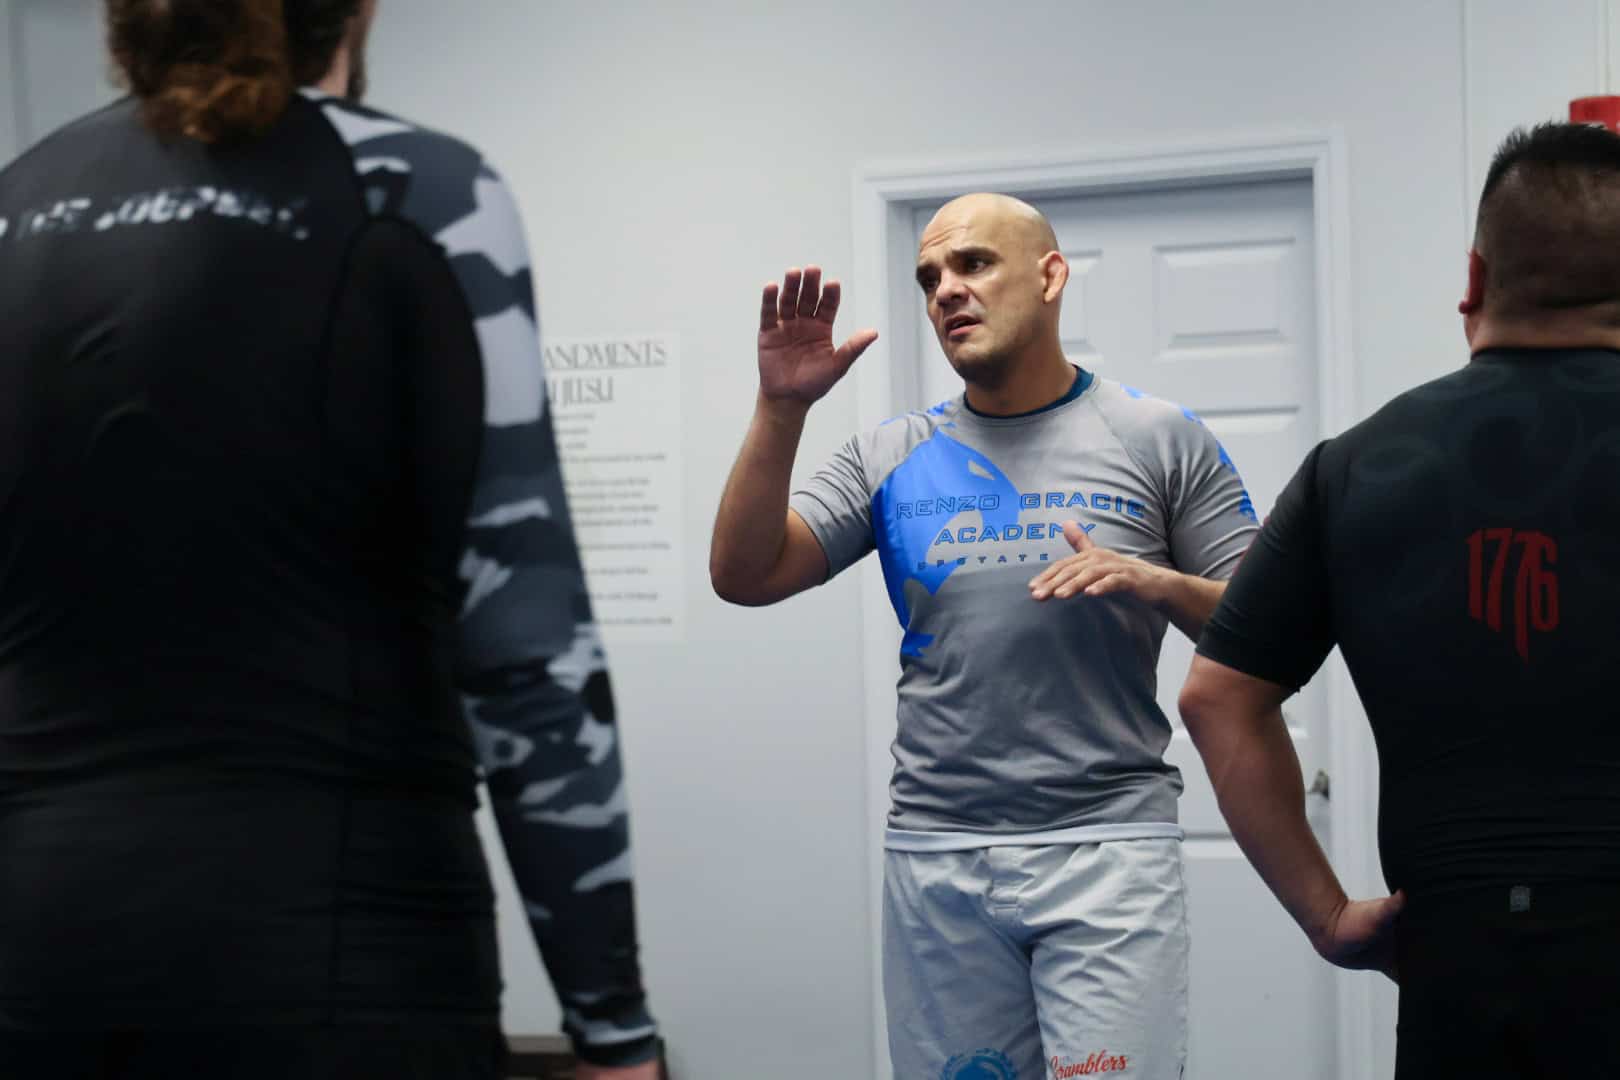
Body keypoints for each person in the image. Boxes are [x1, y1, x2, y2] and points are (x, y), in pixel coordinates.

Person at [0, 2, 658, 1077]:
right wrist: (613, 1022)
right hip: (346, 951)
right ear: (353, 10)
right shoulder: (420, 189)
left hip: (42, 958)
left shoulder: (13, 202)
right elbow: (527, 644)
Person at [710, 192, 1259, 1078]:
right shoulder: (892, 453)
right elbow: (745, 575)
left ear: (1049, 277)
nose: (946, 292)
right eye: (930, 277)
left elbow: (1271, 624)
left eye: (972, 265)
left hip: (1106, 852)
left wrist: (1151, 580)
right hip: (936, 856)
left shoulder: (1158, 437)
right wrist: (781, 410)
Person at [1179, 121, 1620, 1077]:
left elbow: (1217, 699)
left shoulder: (1355, 469)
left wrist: (1329, 917)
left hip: (1453, 966)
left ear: (1473, 278)